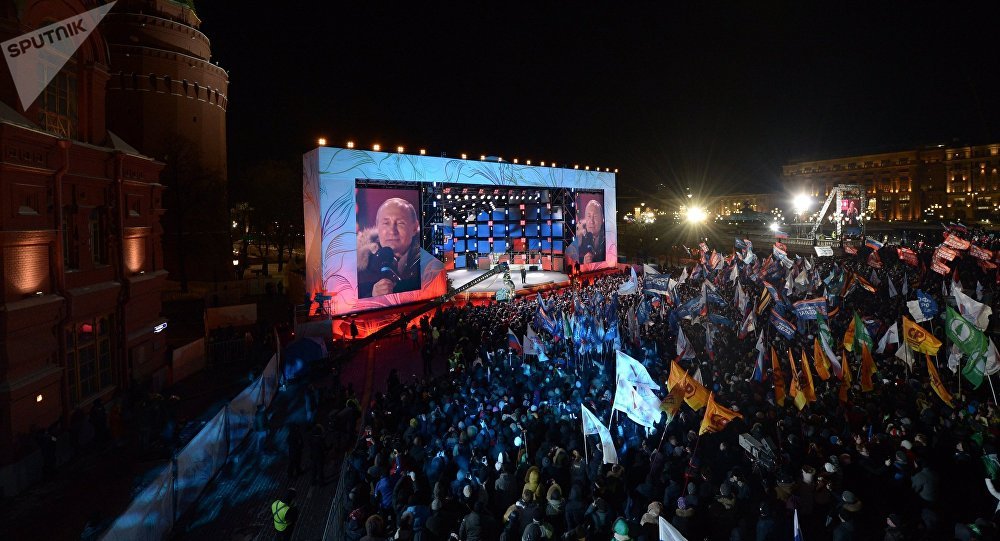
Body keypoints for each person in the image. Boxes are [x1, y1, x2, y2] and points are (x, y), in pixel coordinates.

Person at [357, 197, 422, 298]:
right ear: (377, 226)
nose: (392, 231)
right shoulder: (359, 269)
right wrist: (372, 297)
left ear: (414, 228)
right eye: (386, 223)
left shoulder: (428, 264)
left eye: (400, 223)